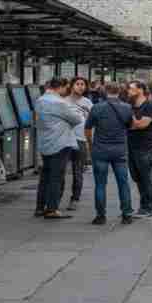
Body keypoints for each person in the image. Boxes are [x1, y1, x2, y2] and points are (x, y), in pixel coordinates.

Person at [84, 82, 133, 225]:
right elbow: (130, 126)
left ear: (105, 91)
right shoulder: (127, 107)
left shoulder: (97, 107)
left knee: (100, 184)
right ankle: (126, 214)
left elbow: (88, 128)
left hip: (100, 150)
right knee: (123, 183)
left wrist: (90, 143)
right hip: (120, 150)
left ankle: (100, 216)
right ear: (120, 91)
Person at [35, 77, 82, 220]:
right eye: (66, 87)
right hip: (60, 143)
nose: (67, 90)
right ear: (60, 87)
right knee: (56, 177)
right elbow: (77, 119)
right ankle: (51, 209)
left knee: (45, 177)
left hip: (45, 143)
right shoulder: (60, 103)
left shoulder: (40, 100)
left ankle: (40, 207)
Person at [127, 81, 152, 218]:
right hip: (132, 146)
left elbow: (141, 125)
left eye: (131, 88)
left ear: (140, 90)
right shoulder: (130, 105)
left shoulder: (150, 105)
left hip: (146, 147)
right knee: (137, 177)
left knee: (146, 178)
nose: (128, 91)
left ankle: (149, 208)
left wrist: (130, 120)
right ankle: (143, 206)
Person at [66, 77, 93, 212]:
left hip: (81, 140)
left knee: (78, 171)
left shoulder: (88, 103)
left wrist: (90, 142)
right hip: (64, 140)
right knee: (60, 171)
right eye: (78, 84)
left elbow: (91, 123)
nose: (81, 87)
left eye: (83, 84)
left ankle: (75, 198)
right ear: (71, 86)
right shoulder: (63, 101)